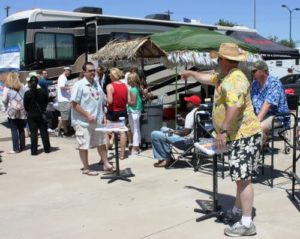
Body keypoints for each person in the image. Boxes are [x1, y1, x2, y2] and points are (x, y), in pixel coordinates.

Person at [181, 43, 262, 237]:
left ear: (225, 60)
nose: (216, 62)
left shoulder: (235, 79)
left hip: (244, 135)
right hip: (239, 136)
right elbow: (207, 78)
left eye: (218, 59)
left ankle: (246, 223)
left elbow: (234, 106)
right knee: (239, 178)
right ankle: (236, 211)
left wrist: (223, 131)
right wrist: (192, 74)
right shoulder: (224, 77)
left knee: (243, 179)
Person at [71, 62, 113, 176]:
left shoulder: (96, 83)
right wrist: (87, 115)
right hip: (83, 121)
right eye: (90, 71)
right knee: (83, 144)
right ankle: (86, 168)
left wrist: (104, 110)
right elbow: (74, 104)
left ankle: (106, 163)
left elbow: (101, 99)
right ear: (84, 72)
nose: (93, 73)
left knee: (101, 142)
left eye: (94, 70)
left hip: (97, 120)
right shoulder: (79, 85)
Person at [151, 95, 201, 167]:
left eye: (188, 102)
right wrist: (184, 123)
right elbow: (192, 128)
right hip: (195, 140)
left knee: (154, 134)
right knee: (163, 129)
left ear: (192, 104)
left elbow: (185, 132)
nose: (186, 104)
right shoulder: (201, 112)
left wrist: (174, 132)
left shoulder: (191, 115)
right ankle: (168, 156)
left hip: (186, 142)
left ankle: (164, 159)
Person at [250, 61, 289, 143]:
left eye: (254, 71)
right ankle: (262, 145)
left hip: (277, 116)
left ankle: (256, 150)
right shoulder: (254, 84)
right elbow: (250, 102)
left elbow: (267, 104)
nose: (252, 73)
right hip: (261, 115)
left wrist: (256, 121)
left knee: (256, 128)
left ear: (263, 71)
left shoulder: (274, 83)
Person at [23, 75, 51, 155]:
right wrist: (42, 109)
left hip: (31, 114)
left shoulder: (27, 93)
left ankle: (34, 151)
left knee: (33, 133)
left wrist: (30, 110)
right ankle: (47, 149)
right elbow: (46, 101)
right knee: (44, 132)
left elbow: (25, 106)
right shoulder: (43, 91)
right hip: (41, 114)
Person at [106, 67, 128, 160]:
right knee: (122, 132)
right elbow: (127, 100)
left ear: (113, 75)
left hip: (112, 112)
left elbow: (110, 101)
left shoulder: (110, 86)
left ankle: (105, 156)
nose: (109, 76)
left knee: (106, 133)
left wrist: (104, 98)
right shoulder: (125, 86)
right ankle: (122, 154)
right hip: (122, 111)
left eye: (110, 75)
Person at [2, 72, 27, 154]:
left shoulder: (7, 88)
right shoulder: (23, 86)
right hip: (22, 110)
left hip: (12, 111)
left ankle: (15, 149)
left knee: (13, 129)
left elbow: (4, 100)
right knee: (21, 129)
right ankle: (22, 147)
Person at [127, 72, 143, 155]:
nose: (127, 80)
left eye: (129, 78)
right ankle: (137, 146)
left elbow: (132, 102)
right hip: (137, 111)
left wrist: (126, 100)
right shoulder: (137, 88)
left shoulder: (133, 89)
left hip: (133, 111)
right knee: (136, 129)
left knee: (135, 130)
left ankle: (135, 148)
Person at [56, 67, 72, 136]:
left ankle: (65, 131)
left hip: (65, 99)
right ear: (65, 70)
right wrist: (70, 88)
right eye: (69, 71)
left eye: (70, 72)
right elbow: (62, 87)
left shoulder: (64, 78)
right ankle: (58, 129)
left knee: (65, 116)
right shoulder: (62, 77)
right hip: (63, 99)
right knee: (64, 117)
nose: (70, 73)